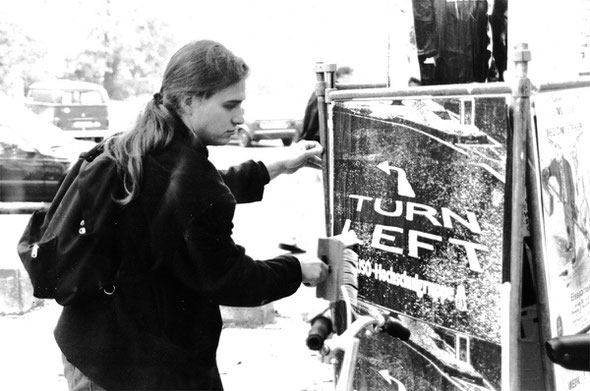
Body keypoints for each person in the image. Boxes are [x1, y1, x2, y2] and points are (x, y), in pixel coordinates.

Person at [55, 40, 330, 391]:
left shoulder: (141, 143)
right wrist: (297, 269)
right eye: (231, 104)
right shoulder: (189, 176)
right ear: (188, 101)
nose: (240, 117)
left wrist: (274, 166)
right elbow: (231, 278)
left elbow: (185, 195)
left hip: (89, 346)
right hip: (133, 369)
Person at [300, 66, 353, 142]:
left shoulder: (324, 92)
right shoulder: (333, 92)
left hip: (319, 135)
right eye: (347, 77)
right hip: (320, 136)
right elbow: (313, 120)